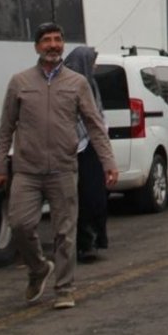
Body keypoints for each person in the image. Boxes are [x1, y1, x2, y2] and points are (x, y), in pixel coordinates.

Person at [0, 22, 118, 310]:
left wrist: (107, 162)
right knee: (20, 224)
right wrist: (1, 166)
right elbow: (5, 129)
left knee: (65, 232)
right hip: (27, 170)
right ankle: (39, 269)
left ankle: (64, 289)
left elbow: (95, 126)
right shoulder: (20, 83)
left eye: (57, 39)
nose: (53, 45)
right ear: (37, 47)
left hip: (63, 169)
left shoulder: (77, 83)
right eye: (47, 40)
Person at [64, 46, 109, 264]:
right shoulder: (66, 85)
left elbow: (97, 116)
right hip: (71, 148)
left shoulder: (91, 84)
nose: (96, 66)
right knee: (79, 197)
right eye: (92, 62)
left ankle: (94, 239)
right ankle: (82, 243)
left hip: (92, 146)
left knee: (95, 195)